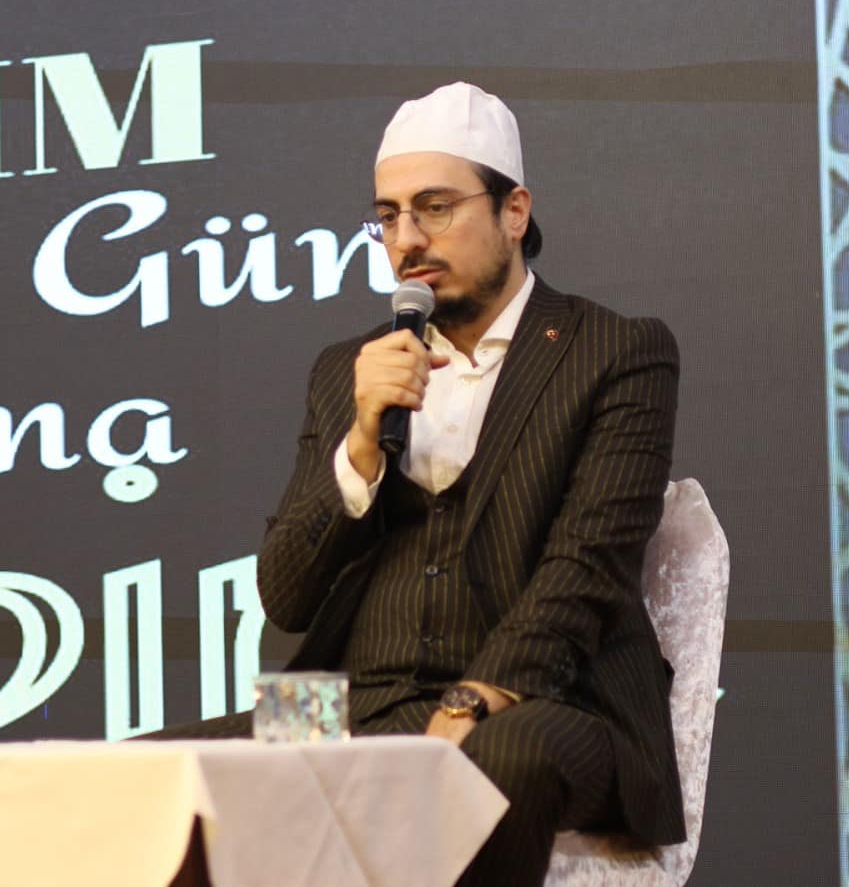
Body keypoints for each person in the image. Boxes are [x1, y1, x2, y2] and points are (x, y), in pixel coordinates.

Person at [153, 82, 685, 887]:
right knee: (151, 776)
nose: (406, 239)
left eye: (435, 208)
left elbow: (589, 568)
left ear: (514, 211)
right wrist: (362, 441)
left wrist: (470, 701)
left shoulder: (616, 350)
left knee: (497, 761)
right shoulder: (350, 368)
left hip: (552, 699)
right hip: (351, 701)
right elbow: (286, 596)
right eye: (389, 216)